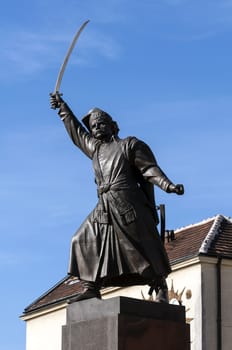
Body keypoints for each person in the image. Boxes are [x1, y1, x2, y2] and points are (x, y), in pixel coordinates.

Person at [50, 93, 184, 303]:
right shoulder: (96, 149)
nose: (96, 128)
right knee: (81, 238)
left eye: (101, 123)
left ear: (113, 126)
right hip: (104, 206)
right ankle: (91, 286)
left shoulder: (129, 145)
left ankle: (159, 285)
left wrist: (168, 185)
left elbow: (149, 169)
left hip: (127, 203)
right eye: (94, 126)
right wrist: (62, 108)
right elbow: (77, 133)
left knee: (142, 247)